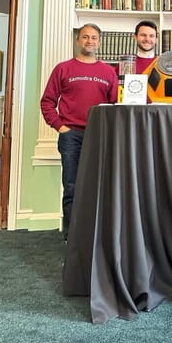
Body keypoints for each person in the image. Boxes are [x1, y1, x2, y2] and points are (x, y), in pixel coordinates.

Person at [40, 24, 118, 240]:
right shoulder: (63, 69)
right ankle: (72, 237)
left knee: (100, 187)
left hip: (99, 135)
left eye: (93, 37)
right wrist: (60, 127)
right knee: (72, 186)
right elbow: (47, 102)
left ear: (99, 42)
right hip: (71, 136)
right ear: (78, 41)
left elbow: (114, 106)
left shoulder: (108, 72)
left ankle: (96, 235)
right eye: (85, 37)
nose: (89, 41)